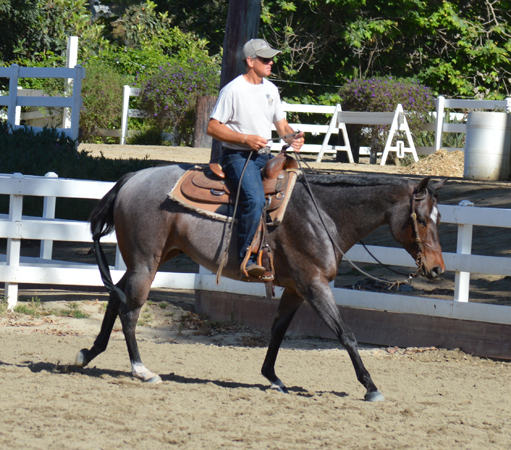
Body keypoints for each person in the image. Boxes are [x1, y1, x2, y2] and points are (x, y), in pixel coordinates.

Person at [207, 38, 305, 278]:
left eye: (271, 58)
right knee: (256, 199)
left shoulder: (270, 89)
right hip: (238, 156)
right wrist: (245, 139)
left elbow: (281, 125)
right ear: (250, 62)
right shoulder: (233, 90)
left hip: (265, 156)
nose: (271, 62)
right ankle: (247, 258)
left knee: (295, 193)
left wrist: (292, 137)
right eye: (265, 59)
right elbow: (212, 127)